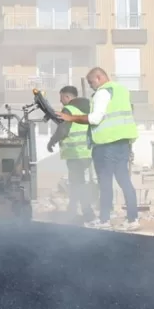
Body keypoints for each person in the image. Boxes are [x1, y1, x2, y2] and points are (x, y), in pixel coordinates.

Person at [56, 67, 140, 231]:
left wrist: (70, 118)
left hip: (106, 144)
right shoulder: (121, 90)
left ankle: (104, 220)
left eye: (91, 82)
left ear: (99, 77)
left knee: (105, 182)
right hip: (123, 142)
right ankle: (133, 219)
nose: (91, 86)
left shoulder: (103, 92)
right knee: (124, 180)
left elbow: (95, 118)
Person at [46, 85, 96, 222]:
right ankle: (73, 208)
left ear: (67, 97)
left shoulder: (69, 110)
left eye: (61, 97)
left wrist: (52, 141)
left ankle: (87, 212)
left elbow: (63, 130)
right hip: (87, 151)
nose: (61, 101)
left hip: (75, 152)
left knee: (77, 183)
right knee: (77, 182)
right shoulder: (89, 106)